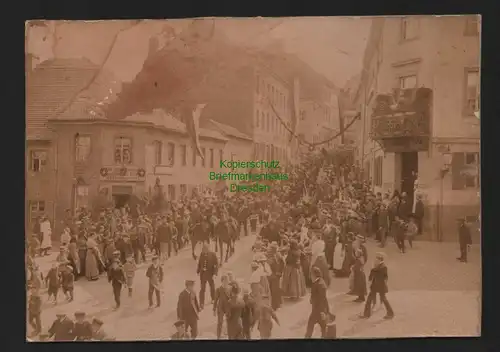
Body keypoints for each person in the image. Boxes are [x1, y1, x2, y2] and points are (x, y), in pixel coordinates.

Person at [360, 252, 394, 319]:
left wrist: (373, 269)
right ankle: (366, 314)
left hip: (380, 286)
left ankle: (390, 313)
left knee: (384, 299)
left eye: (376, 259)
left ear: (380, 260)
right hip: (375, 286)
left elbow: (379, 274)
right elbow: (371, 276)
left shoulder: (383, 267)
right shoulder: (378, 266)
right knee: (369, 299)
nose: (375, 260)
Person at [305, 267, 330, 338]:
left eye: (311, 275)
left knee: (311, 324)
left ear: (315, 275)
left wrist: (323, 311)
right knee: (323, 326)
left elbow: (322, 299)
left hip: (318, 310)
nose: (310, 277)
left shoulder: (320, 285)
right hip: (319, 309)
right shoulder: (319, 282)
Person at [197, 243, 218, 309]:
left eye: (206, 249)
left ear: (208, 249)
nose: (204, 251)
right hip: (203, 275)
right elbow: (199, 263)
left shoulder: (213, 255)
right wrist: (198, 271)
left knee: (212, 287)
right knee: (202, 289)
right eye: (203, 249)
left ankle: (213, 299)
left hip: (210, 274)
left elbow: (216, 265)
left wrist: (215, 273)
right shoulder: (201, 254)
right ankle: (201, 303)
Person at [213, 274, 231, 339]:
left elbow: (232, 298)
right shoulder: (218, 289)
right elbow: (215, 300)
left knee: (229, 322)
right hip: (220, 308)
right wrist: (214, 309)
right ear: (222, 281)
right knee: (220, 322)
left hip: (228, 308)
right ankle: (218, 336)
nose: (226, 282)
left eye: (227, 281)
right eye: (225, 281)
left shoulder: (230, 289)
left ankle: (229, 335)